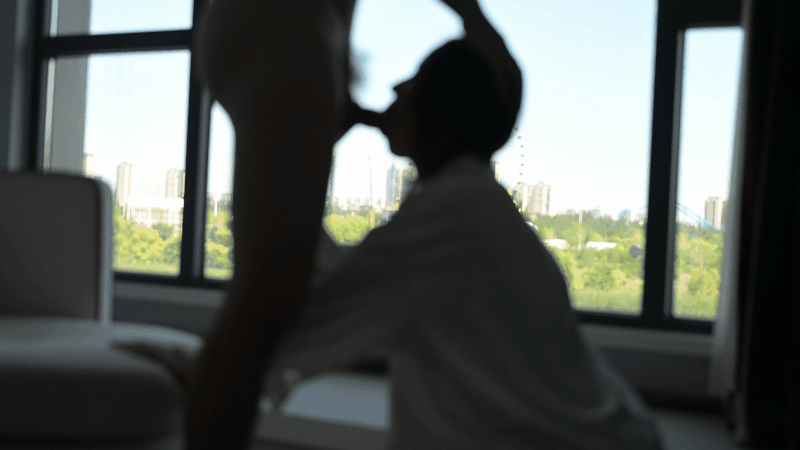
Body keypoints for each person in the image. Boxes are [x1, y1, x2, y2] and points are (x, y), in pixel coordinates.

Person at [115, 1, 666, 448]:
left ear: (440, 126)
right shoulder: (470, 210)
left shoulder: (450, 224)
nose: (396, 90)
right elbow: (358, 281)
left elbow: (288, 328)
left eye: (414, 84)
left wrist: (205, 361)